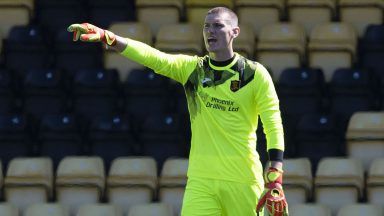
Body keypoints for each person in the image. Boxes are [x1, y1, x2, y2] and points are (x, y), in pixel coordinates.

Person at [68, 7, 288, 216]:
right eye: (206, 26)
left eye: (218, 26)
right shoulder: (193, 70)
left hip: (243, 179)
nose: (210, 31)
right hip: (201, 182)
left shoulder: (254, 74)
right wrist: (111, 38)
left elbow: (273, 122)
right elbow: (153, 57)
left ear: (234, 32)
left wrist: (275, 174)